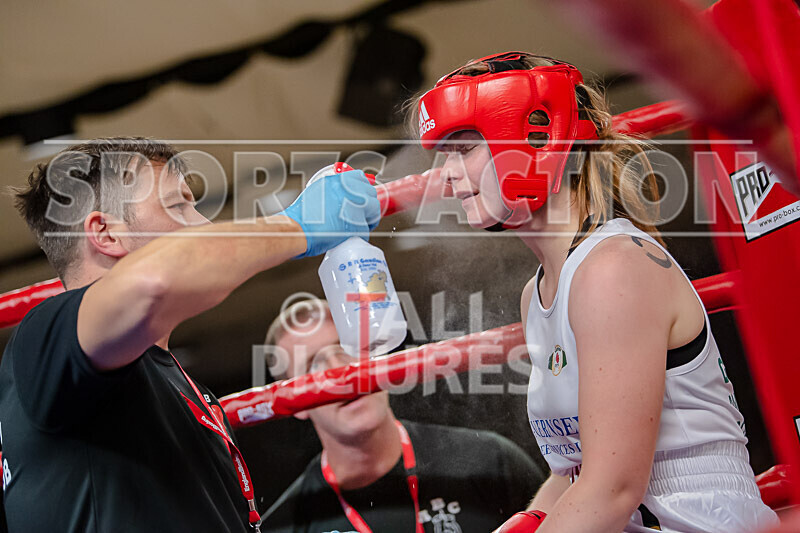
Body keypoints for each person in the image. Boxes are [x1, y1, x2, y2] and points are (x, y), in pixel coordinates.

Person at [415, 52, 779, 532]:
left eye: (463, 148)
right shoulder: (540, 291)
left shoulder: (612, 269)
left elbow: (612, 489)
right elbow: (575, 471)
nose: (447, 173)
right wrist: (531, 518)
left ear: (536, 140)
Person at [0, 138, 380, 532]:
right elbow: (153, 281)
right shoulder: (45, 337)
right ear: (106, 234)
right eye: (178, 206)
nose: (204, 223)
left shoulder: (181, 385)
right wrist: (296, 226)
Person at [260, 298, 546, 533]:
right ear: (295, 405)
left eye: (348, 348)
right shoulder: (285, 525)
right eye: (314, 365)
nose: (341, 374)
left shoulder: (489, 462)